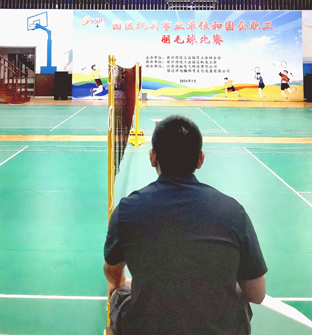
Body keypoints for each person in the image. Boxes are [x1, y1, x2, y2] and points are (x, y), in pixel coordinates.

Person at [104, 115, 267, 335]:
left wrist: (123, 284)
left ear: (152, 157)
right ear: (201, 159)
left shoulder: (126, 210)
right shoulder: (234, 211)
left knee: (119, 293)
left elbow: (112, 271)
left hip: (148, 329)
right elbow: (257, 295)